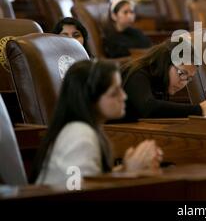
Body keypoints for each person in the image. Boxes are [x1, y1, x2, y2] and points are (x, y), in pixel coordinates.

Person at [30, 60, 163, 186]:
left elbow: (92, 178)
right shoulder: (80, 136)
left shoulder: (84, 129)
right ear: (90, 98)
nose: (124, 96)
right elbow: (76, 190)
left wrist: (125, 168)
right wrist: (129, 172)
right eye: (114, 93)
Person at [120, 39, 206, 121]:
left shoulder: (161, 82)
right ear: (166, 62)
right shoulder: (137, 74)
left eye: (189, 78)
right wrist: (199, 110)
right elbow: (149, 108)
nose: (183, 83)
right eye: (182, 73)